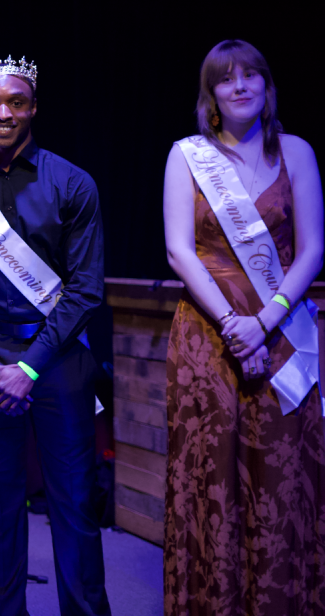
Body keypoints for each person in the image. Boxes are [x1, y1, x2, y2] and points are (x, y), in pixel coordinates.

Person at [0, 55, 110, 616]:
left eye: (15, 102)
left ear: (33, 107)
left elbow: (84, 291)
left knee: (75, 503)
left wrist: (28, 367)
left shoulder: (73, 182)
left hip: (56, 358)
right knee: (0, 506)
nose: (2, 113)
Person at [162, 40, 323, 616]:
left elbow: (312, 251)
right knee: (213, 474)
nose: (240, 86)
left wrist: (266, 320)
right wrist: (235, 325)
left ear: (267, 86)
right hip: (208, 332)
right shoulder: (187, 155)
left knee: (283, 478)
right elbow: (180, 252)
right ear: (211, 95)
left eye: (251, 75)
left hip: (282, 332)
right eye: (226, 79)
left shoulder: (298, 152)